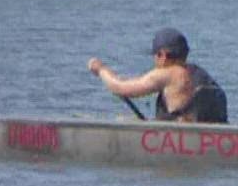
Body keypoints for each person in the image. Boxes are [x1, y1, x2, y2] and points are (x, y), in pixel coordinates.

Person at [88, 27, 229, 123]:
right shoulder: (198, 73)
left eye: (155, 55)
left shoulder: (167, 74)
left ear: (162, 55)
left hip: (182, 142)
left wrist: (101, 69)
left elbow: (118, 87)